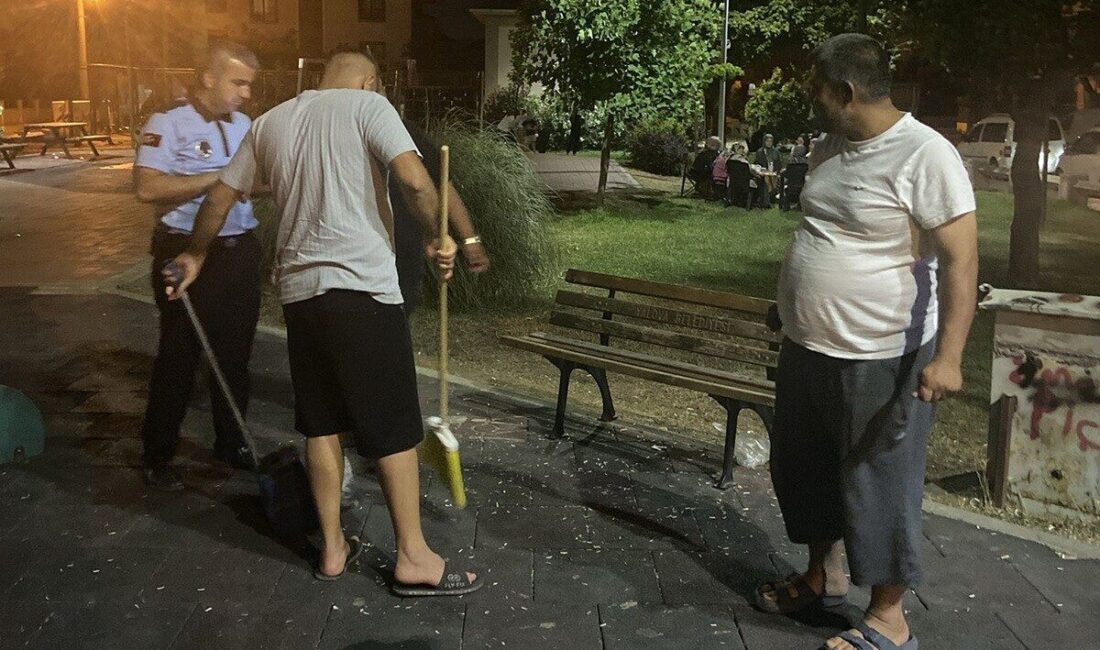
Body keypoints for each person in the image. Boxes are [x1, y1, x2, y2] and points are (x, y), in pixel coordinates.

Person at [168, 52, 483, 595]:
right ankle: (414, 556)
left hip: (301, 297)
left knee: (321, 423)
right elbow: (414, 180)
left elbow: (221, 194)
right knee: (393, 427)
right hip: (364, 291)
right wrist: (438, 236)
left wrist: (196, 254)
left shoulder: (271, 121)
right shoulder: (370, 106)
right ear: (369, 80)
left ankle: (333, 549)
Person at [756, 34, 978, 650]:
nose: (808, 96)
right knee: (802, 469)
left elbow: (962, 262)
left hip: (880, 354)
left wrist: (951, 357)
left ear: (845, 92)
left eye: (815, 86)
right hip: (808, 346)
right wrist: (791, 304)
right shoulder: (833, 146)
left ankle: (888, 618)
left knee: (876, 482)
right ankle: (823, 576)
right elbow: (823, 232)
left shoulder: (925, 154)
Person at [134, 42, 261, 491]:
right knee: (179, 357)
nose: (246, 94)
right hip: (185, 251)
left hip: (240, 251)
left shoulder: (245, 124)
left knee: (235, 357)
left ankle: (232, 444)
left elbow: (253, 181)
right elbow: (147, 188)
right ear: (209, 77)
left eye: (250, 84)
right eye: (238, 82)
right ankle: (159, 453)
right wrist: (221, 179)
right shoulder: (168, 121)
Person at [393, 118, 490, 316]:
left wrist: (469, 239)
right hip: (388, 247)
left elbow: (441, 182)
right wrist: (439, 235)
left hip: (401, 245)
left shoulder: (399, 128)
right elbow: (420, 184)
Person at [754, 133, 782, 207]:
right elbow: (757, 164)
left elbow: (779, 164)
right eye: (767, 141)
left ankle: (771, 195)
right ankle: (768, 199)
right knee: (767, 178)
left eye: (771, 141)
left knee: (774, 177)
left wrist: (777, 171)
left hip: (773, 172)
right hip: (763, 173)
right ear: (764, 142)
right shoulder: (760, 152)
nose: (769, 143)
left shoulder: (776, 152)